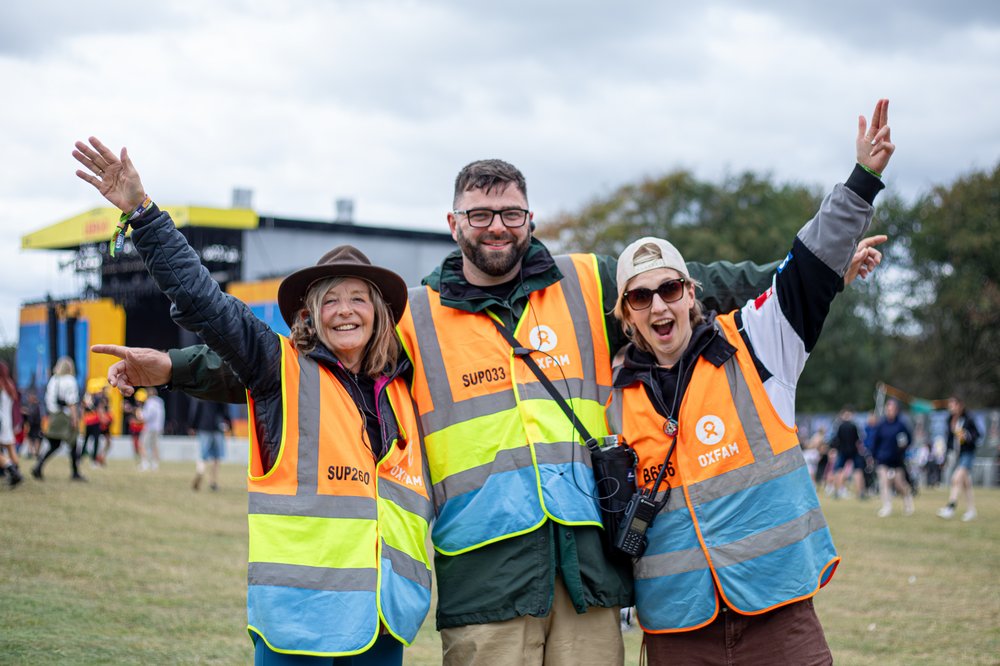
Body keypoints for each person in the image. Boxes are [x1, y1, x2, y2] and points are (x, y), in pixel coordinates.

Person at [91, 156, 883, 665]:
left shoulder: (588, 281)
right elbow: (301, 366)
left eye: (510, 214)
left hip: (588, 577)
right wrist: (173, 367)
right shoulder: (416, 315)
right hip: (484, 580)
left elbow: (698, 279)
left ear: (529, 221)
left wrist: (813, 268)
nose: (496, 227)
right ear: (455, 224)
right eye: (480, 215)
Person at [76, 137, 432, 663]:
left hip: (382, 625)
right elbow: (206, 303)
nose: (345, 310)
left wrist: (174, 368)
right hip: (297, 625)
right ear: (308, 316)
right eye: (329, 299)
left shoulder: (403, 386)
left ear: (380, 312)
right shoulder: (278, 367)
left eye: (358, 297)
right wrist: (143, 214)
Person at [604, 99, 893, 664]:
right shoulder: (608, 398)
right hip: (677, 626)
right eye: (641, 296)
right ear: (626, 314)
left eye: (671, 289)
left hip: (777, 614)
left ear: (692, 293)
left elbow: (807, 262)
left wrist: (862, 180)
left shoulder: (759, 341)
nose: (659, 305)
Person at [33, 356, 86, 482]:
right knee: (73, 443)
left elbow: (48, 400)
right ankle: (75, 473)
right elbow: (71, 402)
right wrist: (75, 418)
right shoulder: (70, 380)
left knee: (54, 445)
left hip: (54, 415)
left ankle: (38, 467)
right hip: (66, 416)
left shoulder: (53, 380)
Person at [937, 396, 980, 521]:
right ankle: (971, 510)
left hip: (968, 454)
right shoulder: (950, 419)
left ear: (960, 405)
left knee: (956, 478)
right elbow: (949, 439)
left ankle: (950, 507)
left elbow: (977, 434)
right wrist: (946, 456)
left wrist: (967, 436)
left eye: (953, 405)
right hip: (958, 454)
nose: (951, 408)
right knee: (966, 484)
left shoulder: (969, 418)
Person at [869, 399, 914, 517]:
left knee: (899, 484)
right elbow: (875, 441)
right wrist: (873, 455)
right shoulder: (881, 425)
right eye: (888, 409)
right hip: (882, 459)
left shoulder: (901, 425)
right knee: (884, 482)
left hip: (897, 460)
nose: (890, 411)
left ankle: (908, 501)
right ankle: (886, 506)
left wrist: (903, 448)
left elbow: (907, 440)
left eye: (892, 409)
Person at [188, 398, 231, 491]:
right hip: (217, 427)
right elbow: (225, 410)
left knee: (203, 455)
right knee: (216, 457)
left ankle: (200, 471)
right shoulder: (220, 392)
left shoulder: (201, 393)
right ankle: (213, 482)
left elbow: (196, 411)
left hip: (203, 427)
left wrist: (192, 426)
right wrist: (229, 424)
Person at [832, 406, 867, 499]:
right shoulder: (854, 425)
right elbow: (858, 440)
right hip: (853, 451)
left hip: (842, 450)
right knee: (858, 471)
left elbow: (835, 440)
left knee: (839, 470)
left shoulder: (839, 426)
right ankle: (860, 493)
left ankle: (837, 492)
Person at [0, 362, 23, 487]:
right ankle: (16, 472)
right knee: (10, 448)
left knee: (8, 449)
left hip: (1, 422)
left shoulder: (1, 386)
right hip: (7, 421)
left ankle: (12, 471)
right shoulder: (9, 384)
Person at [141, 386, 165, 471]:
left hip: (149, 427)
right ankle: (155, 464)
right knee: (155, 446)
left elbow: (147, 416)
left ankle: (145, 463)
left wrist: (140, 415)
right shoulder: (160, 402)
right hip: (158, 427)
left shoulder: (149, 402)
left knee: (143, 445)